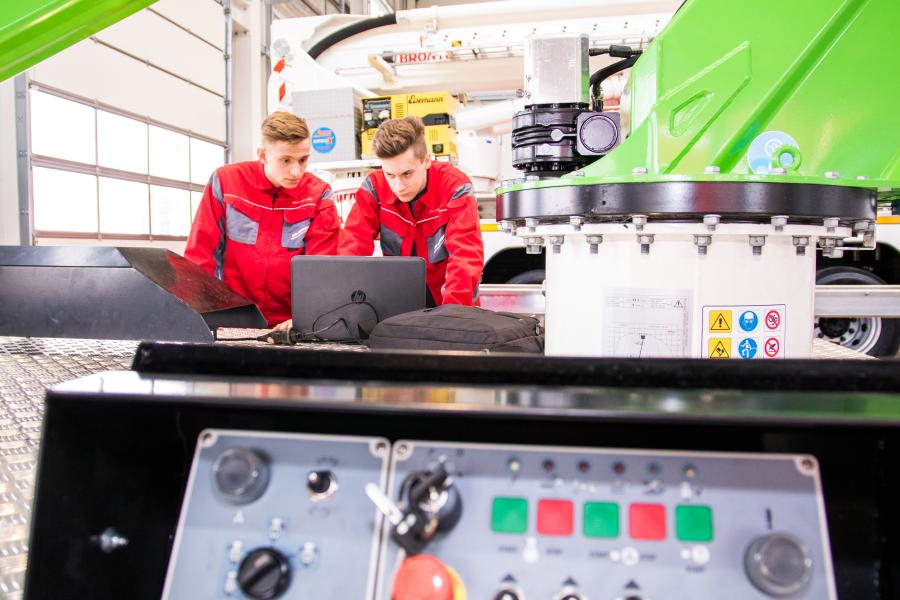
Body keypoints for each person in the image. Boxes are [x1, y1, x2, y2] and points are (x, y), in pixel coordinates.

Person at [185, 112, 339, 328]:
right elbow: (201, 256)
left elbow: (322, 268)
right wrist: (198, 316)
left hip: (291, 325)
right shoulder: (226, 182)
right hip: (232, 319)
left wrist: (306, 318)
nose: (296, 171)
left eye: (303, 160)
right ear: (263, 155)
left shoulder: (319, 195)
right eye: (285, 160)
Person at [339, 116, 484, 306]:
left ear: (426, 160)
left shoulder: (455, 186)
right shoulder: (374, 188)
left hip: (451, 301)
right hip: (398, 304)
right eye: (390, 175)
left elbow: (465, 256)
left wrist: (453, 314)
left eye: (407, 174)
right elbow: (352, 247)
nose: (398, 186)